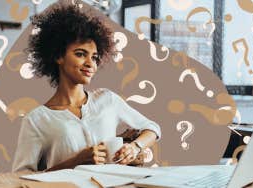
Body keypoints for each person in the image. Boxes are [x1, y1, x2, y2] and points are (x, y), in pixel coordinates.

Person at [12, 3, 161, 172]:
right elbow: (21, 175)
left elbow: (152, 128)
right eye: (80, 54)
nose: (91, 64)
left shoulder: (107, 99)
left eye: (95, 57)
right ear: (58, 56)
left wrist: (135, 147)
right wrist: (75, 161)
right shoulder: (37, 120)